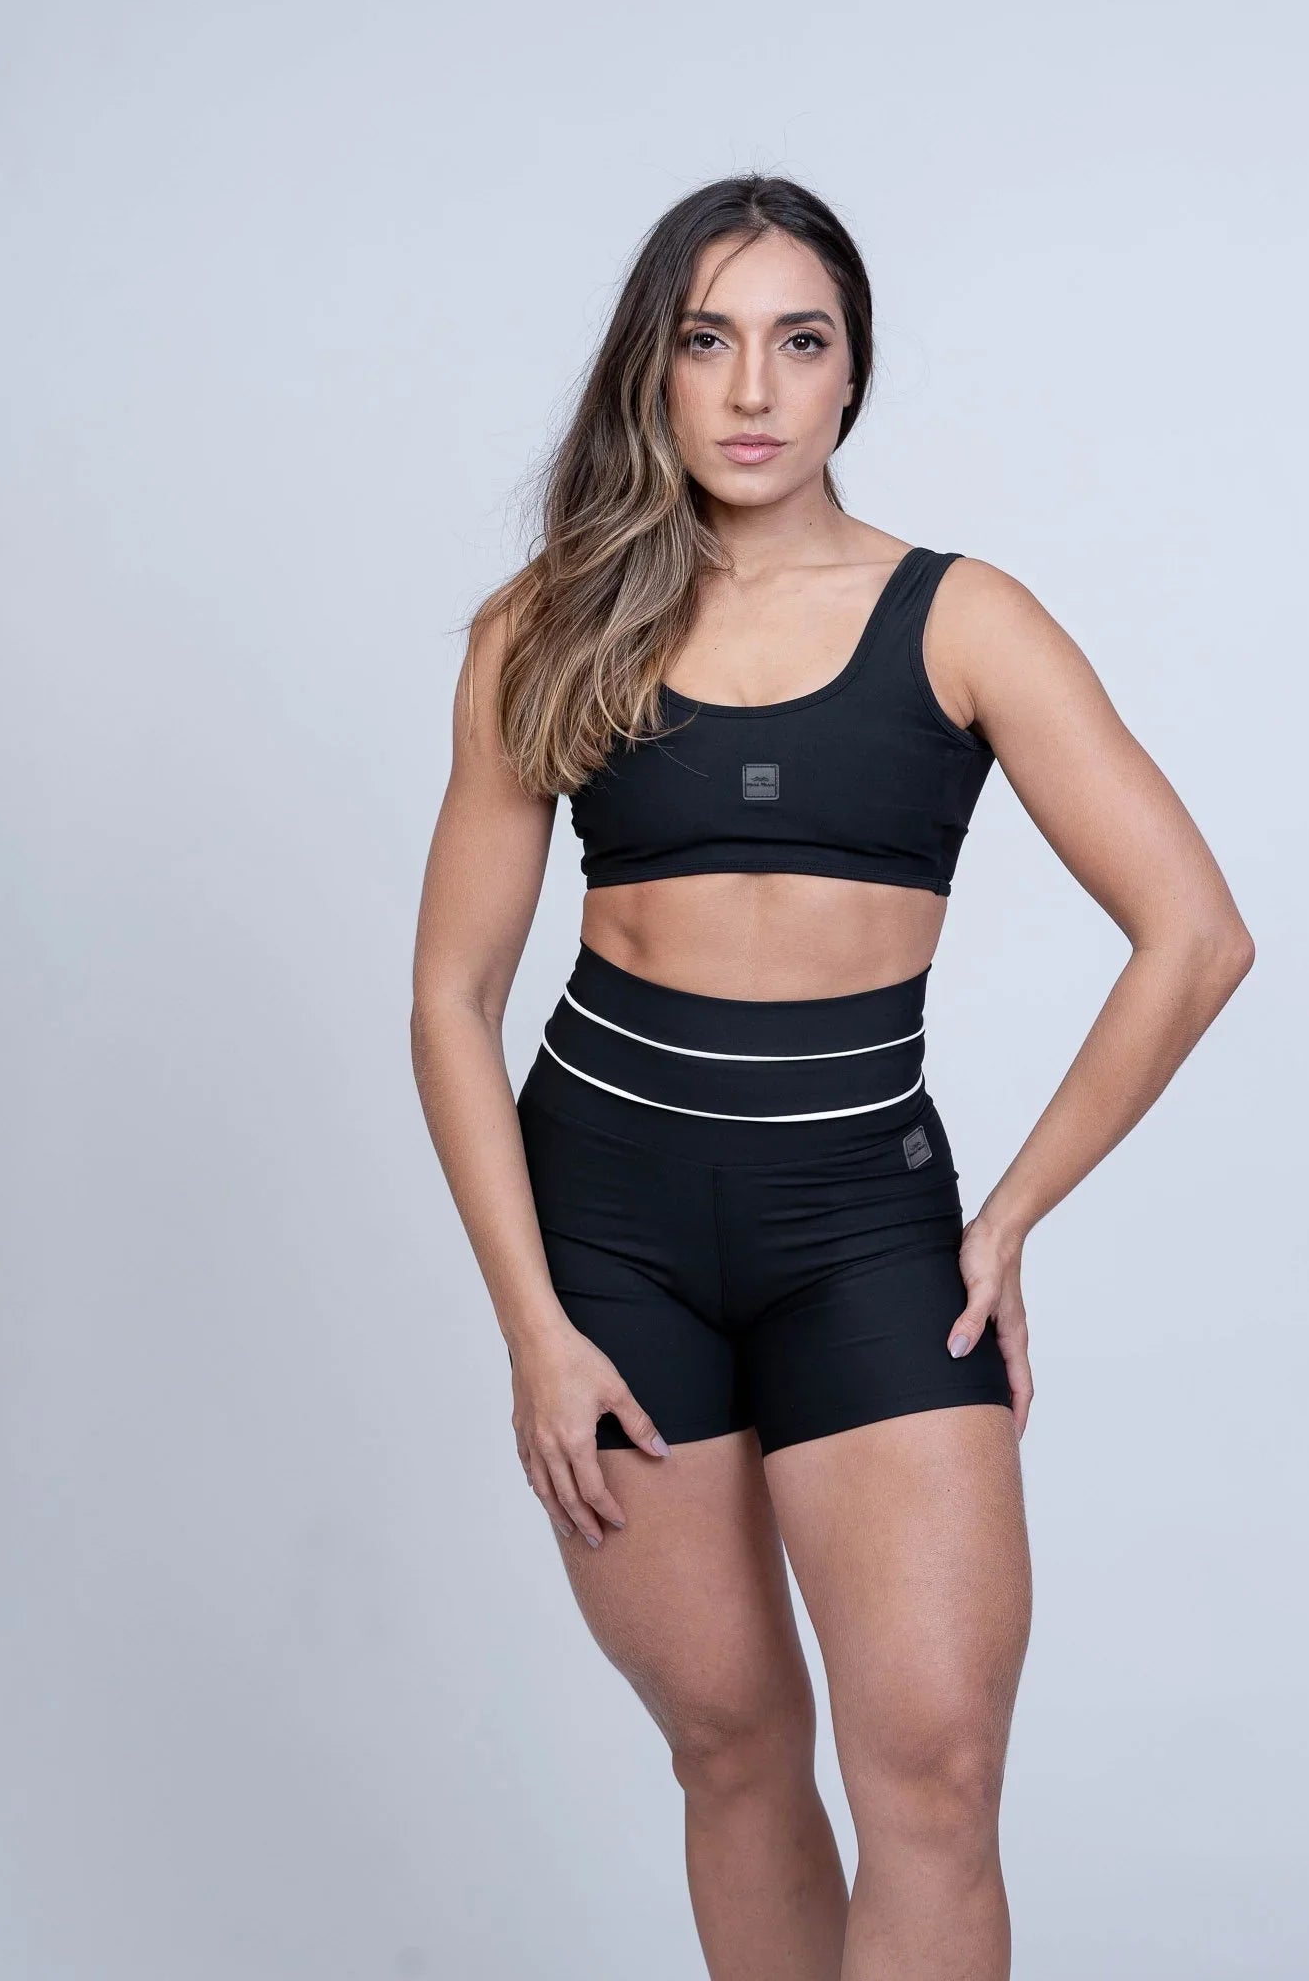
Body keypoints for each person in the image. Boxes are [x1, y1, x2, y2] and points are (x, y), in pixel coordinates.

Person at [410, 172, 1253, 1981]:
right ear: (651, 366)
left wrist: (1006, 1219)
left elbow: (1195, 935)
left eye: (799, 342)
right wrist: (534, 1331)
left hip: (864, 1232)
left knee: (936, 1779)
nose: (752, 389)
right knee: (729, 1749)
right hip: (608, 1246)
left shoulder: (963, 620)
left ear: (852, 371)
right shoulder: (546, 623)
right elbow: (450, 997)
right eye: (707, 340)